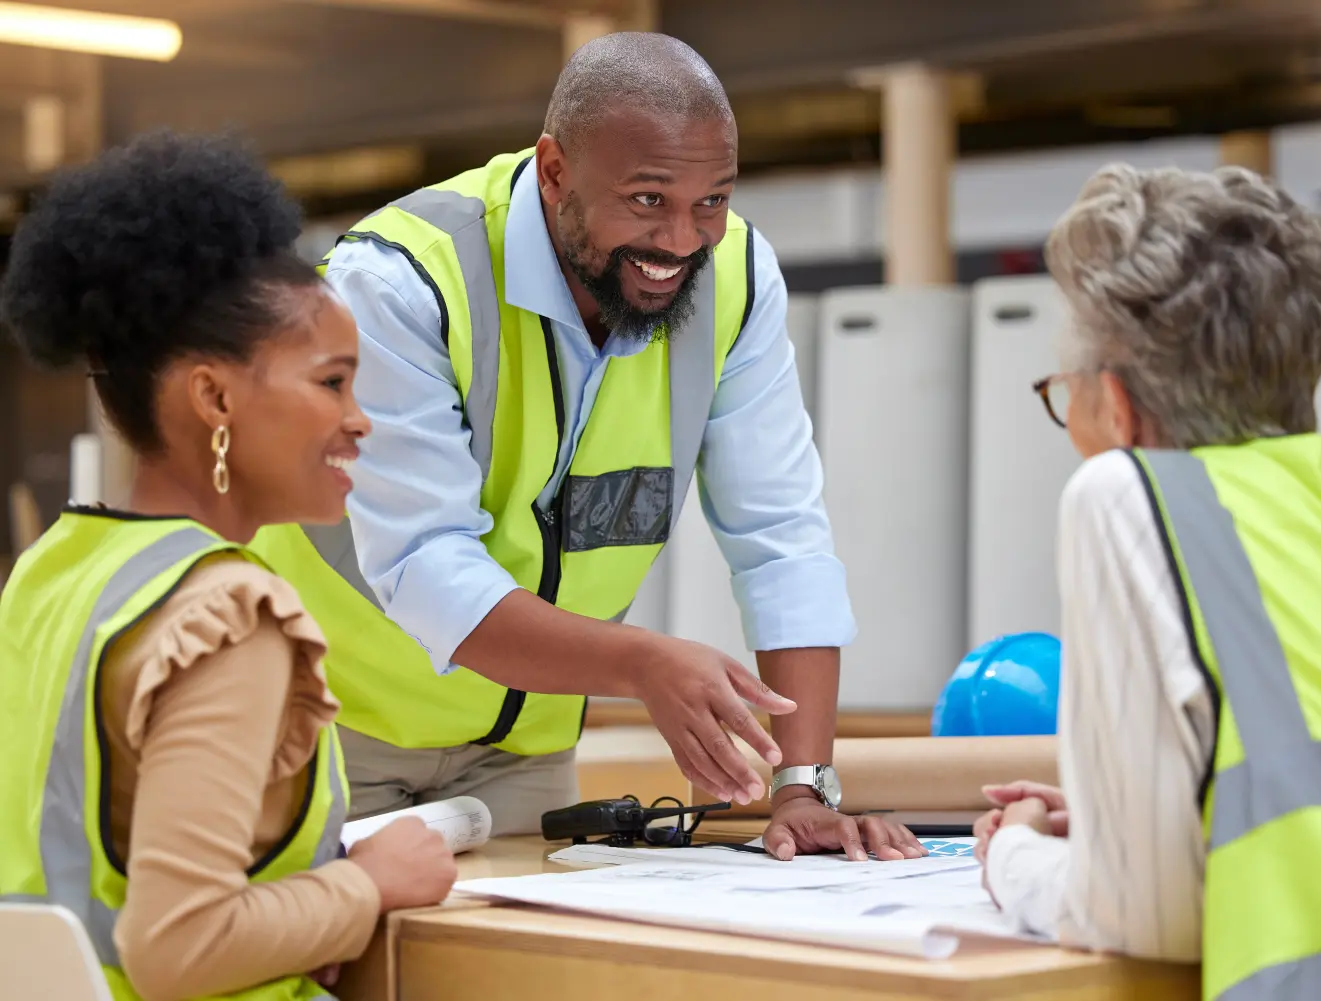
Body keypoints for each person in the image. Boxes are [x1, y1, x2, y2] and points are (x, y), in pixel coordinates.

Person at [248, 32, 921, 862]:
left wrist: (804, 785)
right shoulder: (403, 281)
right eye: (647, 200)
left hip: (520, 761)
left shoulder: (738, 279)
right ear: (555, 169)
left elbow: (783, 537)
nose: (682, 240)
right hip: (331, 734)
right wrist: (640, 663)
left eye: (712, 200)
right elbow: (424, 566)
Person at [973, 163, 1321, 1001]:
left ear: (1119, 407)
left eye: (1063, 394)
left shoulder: (1127, 494)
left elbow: (1142, 920)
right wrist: (1173, 819)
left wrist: (1016, 854)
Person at [0, 131, 457, 1001]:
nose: (361, 421)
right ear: (213, 398)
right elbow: (180, 946)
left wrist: (301, 905)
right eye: (332, 383)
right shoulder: (228, 616)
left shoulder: (54, 570)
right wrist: (369, 884)